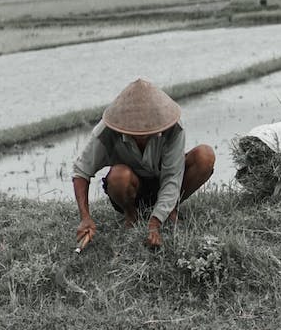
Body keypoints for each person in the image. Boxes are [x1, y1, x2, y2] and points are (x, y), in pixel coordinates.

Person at [72, 78, 215, 250]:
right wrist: (85, 217)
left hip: (162, 180)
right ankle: (131, 215)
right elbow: (81, 171)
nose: (142, 135)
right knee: (119, 176)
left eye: (148, 130)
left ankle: (170, 209)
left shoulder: (173, 128)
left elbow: (172, 177)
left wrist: (154, 224)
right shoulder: (107, 130)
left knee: (205, 156)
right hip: (130, 187)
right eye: (135, 131)